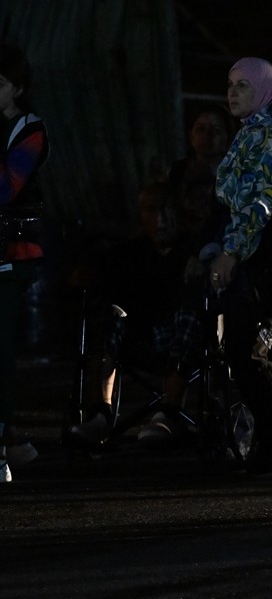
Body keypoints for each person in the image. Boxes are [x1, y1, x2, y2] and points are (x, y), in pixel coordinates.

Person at [208, 56, 272, 474]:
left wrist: (232, 251)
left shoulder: (269, 134)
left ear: (265, 90)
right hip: (258, 248)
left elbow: (259, 202)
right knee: (253, 346)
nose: (232, 92)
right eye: (230, 83)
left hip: (263, 250)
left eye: (244, 85)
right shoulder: (251, 133)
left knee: (244, 346)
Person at [67, 182, 205, 447]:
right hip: (139, 338)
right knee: (110, 317)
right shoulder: (128, 253)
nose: (160, 219)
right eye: (151, 211)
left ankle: (169, 412)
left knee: (188, 316)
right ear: (142, 214)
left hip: (183, 341)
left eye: (166, 210)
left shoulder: (194, 250)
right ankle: (100, 415)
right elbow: (87, 277)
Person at [1, 43, 50, 483]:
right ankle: (12, 442)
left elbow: (7, 186)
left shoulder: (28, 129)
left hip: (12, 253)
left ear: (17, 87)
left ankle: (5, 442)